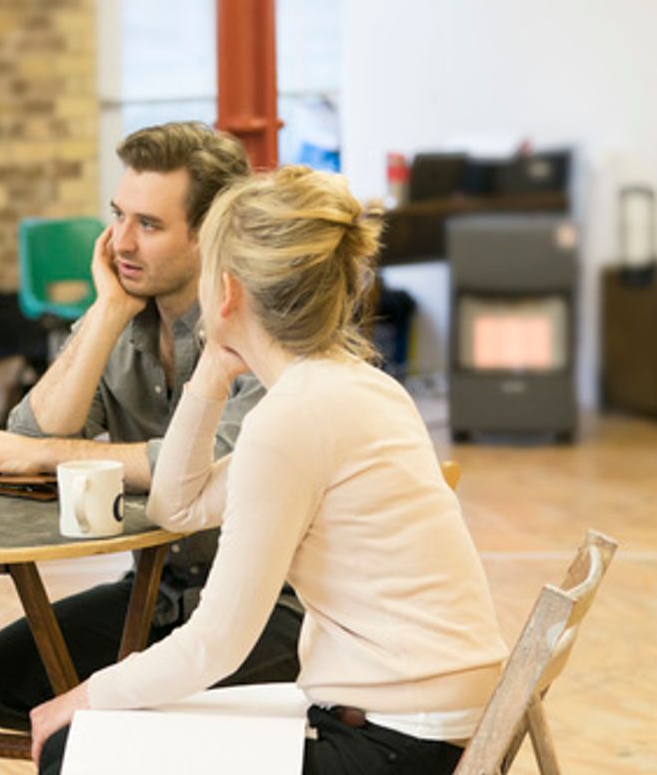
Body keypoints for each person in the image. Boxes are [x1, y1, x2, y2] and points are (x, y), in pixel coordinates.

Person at [29, 166, 509, 775]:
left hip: (397, 742)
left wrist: (82, 697)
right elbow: (175, 507)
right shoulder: (348, 386)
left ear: (226, 291)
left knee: (81, 746)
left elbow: (215, 645)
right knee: (107, 728)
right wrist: (212, 371)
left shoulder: (295, 417)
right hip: (417, 716)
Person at [0, 122, 303, 733]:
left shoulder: (262, 325)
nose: (120, 241)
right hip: (162, 586)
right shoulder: (123, 315)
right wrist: (107, 310)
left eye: (148, 225)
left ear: (211, 234)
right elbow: (25, 442)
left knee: (127, 714)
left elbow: (211, 470)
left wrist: (46, 456)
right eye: (117, 215)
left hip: (277, 605)